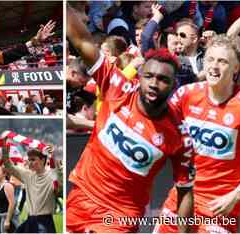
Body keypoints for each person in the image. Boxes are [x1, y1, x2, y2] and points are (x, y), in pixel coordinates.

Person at [66, 5, 194, 233]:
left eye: (163, 79)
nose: (154, 83)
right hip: (80, 198)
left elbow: (185, 190)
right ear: (140, 76)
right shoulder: (118, 87)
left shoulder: (179, 133)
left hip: (118, 217)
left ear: (173, 85)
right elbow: (82, 40)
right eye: (149, 76)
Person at [155, 35, 240, 233]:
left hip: (218, 208)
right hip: (181, 198)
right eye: (210, 59)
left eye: (222, 61)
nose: (214, 66)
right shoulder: (187, 94)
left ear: (236, 68)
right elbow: (156, 121)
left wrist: (236, 196)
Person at [2, 146, 62, 233]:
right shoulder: (28, 175)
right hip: (30, 220)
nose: (30, 163)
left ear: (42, 160)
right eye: (29, 160)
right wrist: (5, 152)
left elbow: (59, 181)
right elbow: (9, 166)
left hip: (44, 222)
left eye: (33, 160)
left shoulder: (51, 176)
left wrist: (54, 158)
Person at [0, 166, 15, 233]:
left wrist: (7, 220)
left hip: (7, 219)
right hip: (0, 217)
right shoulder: (0, 186)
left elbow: (12, 203)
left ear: (4, 174)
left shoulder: (7, 185)